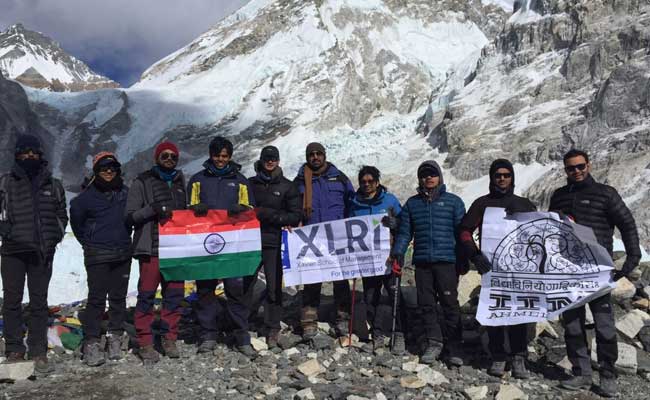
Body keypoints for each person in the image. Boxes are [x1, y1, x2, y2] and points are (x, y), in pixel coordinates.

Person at [549, 149, 641, 397]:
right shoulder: (558, 197)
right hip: (568, 272)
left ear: (588, 165)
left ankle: (608, 375)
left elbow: (627, 223)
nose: (576, 171)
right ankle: (581, 373)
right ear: (565, 170)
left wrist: (633, 257)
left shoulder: (605, 194)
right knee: (573, 326)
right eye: (571, 168)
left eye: (580, 166)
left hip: (599, 271)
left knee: (604, 326)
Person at [458, 159, 536, 378]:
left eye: (506, 175)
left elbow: (537, 231)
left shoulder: (524, 203)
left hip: (519, 269)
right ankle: (498, 356)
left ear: (512, 177)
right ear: (492, 178)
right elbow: (464, 231)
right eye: (498, 175)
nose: (502, 178)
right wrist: (475, 255)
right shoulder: (482, 203)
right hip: (492, 269)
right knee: (495, 312)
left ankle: (519, 357)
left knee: (519, 313)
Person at [0, 134, 68, 373]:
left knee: (39, 303)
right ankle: (14, 348)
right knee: (11, 302)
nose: (29, 156)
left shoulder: (53, 184)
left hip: (42, 252)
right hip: (12, 251)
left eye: (33, 152)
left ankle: (38, 350)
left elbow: (62, 214)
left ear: (40, 154)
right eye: (24, 152)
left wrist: (54, 236)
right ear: (17, 154)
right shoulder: (5, 183)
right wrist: (4, 230)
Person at [188, 136, 258, 358]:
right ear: (211, 155)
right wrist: (194, 209)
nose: (221, 159)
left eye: (225, 156)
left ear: (230, 157)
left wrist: (242, 209)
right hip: (205, 245)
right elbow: (187, 209)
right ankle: (208, 335)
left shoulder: (240, 180)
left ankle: (242, 337)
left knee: (235, 291)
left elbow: (251, 208)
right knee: (206, 289)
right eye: (217, 155)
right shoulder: (197, 180)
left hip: (232, 246)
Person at [391, 160, 465, 366]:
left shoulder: (454, 202)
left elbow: (462, 233)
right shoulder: (412, 204)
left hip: (447, 261)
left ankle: (454, 345)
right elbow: (405, 232)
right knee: (426, 304)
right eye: (424, 175)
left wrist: (465, 258)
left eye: (432, 174)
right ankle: (434, 342)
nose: (428, 178)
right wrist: (398, 253)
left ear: (439, 176)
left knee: (450, 303)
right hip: (422, 262)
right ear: (420, 179)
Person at [125, 142, 186, 365]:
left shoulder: (181, 182)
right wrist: (152, 209)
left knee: (175, 295)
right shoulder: (142, 182)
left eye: (173, 156)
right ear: (157, 157)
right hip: (150, 249)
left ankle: (169, 337)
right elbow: (130, 216)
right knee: (147, 295)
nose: (169, 159)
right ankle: (145, 341)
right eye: (165, 155)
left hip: (176, 249)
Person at [70, 152, 132, 366]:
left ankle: (115, 335)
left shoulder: (126, 193)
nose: (108, 171)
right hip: (97, 255)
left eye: (112, 167)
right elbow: (77, 223)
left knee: (118, 297)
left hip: (123, 253)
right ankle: (92, 341)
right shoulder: (85, 198)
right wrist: (90, 242)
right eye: (104, 168)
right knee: (96, 298)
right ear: (96, 170)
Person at [294, 142, 355, 341]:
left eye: (319, 153)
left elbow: (352, 203)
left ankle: (343, 318)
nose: (315, 157)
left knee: (340, 278)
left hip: (337, 235)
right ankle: (309, 321)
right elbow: (293, 207)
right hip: (312, 237)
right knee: (312, 279)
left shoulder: (339, 178)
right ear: (307, 157)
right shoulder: (300, 181)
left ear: (325, 155)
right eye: (311, 154)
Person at [247, 146, 302, 348]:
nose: (270, 161)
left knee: (273, 286)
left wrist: (270, 215)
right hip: (250, 241)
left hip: (274, 242)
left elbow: (296, 215)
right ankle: (242, 322)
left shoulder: (288, 187)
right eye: (267, 158)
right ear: (261, 160)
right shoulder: (250, 184)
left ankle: (272, 327)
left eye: (274, 158)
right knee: (245, 282)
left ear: (278, 161)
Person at [348, 165, 406, 355]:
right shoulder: (354, 203)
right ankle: (377, 334)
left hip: (390, 256)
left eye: (370, 181)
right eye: (363, 182)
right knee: (371, 295)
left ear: (377, 182)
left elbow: (404, 223)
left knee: (394, 295)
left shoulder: (389, 200)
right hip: (368, 259)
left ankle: (399, 333)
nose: (366, 184)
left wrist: (395, 223)